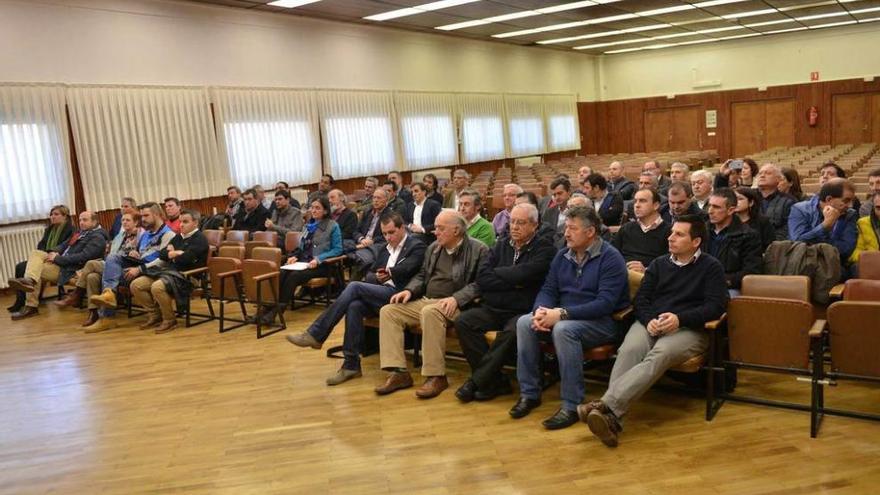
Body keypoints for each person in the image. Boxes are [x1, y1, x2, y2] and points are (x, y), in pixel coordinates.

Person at [582, 214, 728, 447]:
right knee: (629, 349)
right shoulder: (660, 264)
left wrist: (680, 319)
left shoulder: (711, 267)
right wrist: (649, 319)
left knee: (659, 354)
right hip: (652, 323)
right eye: (671, 233)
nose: (670, 238)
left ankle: (604, 405)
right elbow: (641, 300)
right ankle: (611, 417)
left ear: (696, 242)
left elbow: (715, 307)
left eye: (679, 234)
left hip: (689, 329)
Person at [510, 205, 629, 430]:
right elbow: (548, 289)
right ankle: (530, 393)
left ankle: (571, 404)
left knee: (564, 330)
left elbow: (605, 304)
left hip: (603, 322)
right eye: (566, 227)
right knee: (524, 322)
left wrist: (562, 314)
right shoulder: (562, 255)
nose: (566, 233)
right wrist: (540, 312)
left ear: (591, 232)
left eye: (572, 228)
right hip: (566, 316)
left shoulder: (611, 258)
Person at [285, 212, 426, 385]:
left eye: (391, 232)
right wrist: (378, 276)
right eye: (384, 234)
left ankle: (316, 334)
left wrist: (388, 274)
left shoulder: (416, 245)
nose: (388, 237)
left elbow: (409, 268)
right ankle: (351, 365)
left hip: (402, 295)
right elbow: (372, 272)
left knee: (354, 286)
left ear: (402, 228)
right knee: (354, 306)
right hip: (382, 292)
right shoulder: (385, 247)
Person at [375, 211, 489, 399]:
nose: (435, 232)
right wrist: (409, 291)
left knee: (430, 312)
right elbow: (422, 275)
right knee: (389, 311)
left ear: (457, 230)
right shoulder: (434, 248)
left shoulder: (479, 250)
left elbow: (481, 283)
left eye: (440, 228)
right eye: (435, 227)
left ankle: (436, 376)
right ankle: (399, 372)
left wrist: (457, 298)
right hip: (428, 300)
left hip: (458, 304)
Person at [455, 203, 556, 403]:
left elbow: (529, 274)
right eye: (512, 222)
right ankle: (495, 380)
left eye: (521, 222)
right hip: (493, 308)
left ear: (535, 225)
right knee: (464, 322)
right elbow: (483, 277)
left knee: (513, 331)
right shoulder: (501, 244)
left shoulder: (545, 249)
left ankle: (476, 382)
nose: (514, 227)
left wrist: (499, 276)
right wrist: (514, 282)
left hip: (521, 311)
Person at [88, 202, 176, 333]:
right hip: (138, 265)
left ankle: (107, 315)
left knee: (99, 272)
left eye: (146, 215)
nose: (143, 219)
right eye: (142, 216)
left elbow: (163, 260)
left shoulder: (168, 234)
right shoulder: (146, 234)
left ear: (157, 215)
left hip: (152, 271)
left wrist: (139, 269)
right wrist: (134, 253)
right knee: (98, 272)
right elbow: (142, 252)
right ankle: (107, 306)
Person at [8, 211, 108, 321]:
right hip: (62, 265)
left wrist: (57, 259)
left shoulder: (98, 237)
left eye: (85, 220)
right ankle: (30, 282)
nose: (81, 223)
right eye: (80, 220)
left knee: (37, 270)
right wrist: (54, 252)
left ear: (94, 222)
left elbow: (83, 257)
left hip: (71, 270)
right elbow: (64, 245)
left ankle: (31, 305)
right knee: (36, 254)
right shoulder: (81, 232)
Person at [55, 211, 141, 330]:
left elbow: (142, 255)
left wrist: (136, 254)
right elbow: (112, 254)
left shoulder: (141, 235)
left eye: (128, 220)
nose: (124, 222)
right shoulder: (120, 236)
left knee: (90, 264)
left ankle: (77, 294)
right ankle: (95, 314)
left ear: (136, 222)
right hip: (112, 267)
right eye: (123, 220)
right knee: (92, 277)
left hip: (128, 269)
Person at [264, 197, 343, 323]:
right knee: (281, 272)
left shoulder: (333, 226)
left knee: (294, 276)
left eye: (318, 208)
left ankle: (276, 312)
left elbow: (338, 249)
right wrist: (294, 256)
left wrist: (319, 259)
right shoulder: (308, 226)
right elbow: (302, 247)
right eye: (312, 207)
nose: (313, 210)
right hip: (303, 263)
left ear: (326, 211)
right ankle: (267, 308)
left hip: (321, 266)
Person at [130, 208, 209, 334]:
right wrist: (176, 253)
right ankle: (155, 315)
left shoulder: (200, 239)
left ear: (195, 223)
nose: (181, 225)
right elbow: (162, 254)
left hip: (188, 277)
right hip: (169, 273)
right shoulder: (178, 237)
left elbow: (186, 259)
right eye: (180, 221)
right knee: (136, 285)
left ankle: (169, 319)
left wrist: (172, 253)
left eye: (185, 222)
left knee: (157, 287)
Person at [7, 204, 74, 314]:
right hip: (45, 257)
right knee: (20, 266)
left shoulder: (71, 230)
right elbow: (41, 245)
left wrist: (51, 255)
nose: (52, 216)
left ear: (65, 216)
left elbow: (66, 247)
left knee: (26, 267)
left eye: (56, 214)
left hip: (57, 260)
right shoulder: (49, 229)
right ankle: (21, 300)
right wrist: (44, 255)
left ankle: (29, 301)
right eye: (51, 214)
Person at [706, 188, 763, 295]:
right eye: (709, 205)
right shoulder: (701, 231)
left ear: (731, 210)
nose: (710, 211)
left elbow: (751, 271)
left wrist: (721, 280)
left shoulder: (748, 235)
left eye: (716, 207)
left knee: (730, 298)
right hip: (700, 283)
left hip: (729, 286)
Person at [788, 178, 858, 264]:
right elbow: (797, 242)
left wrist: (815, 243)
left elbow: (847, 249)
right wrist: (824, 226)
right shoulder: (800, 210)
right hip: (803, 262)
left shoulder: (850, 214)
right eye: (846, 201)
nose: (850, 206)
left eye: (852, 201)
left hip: (834, 263)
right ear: (829, 199)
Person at [611, 189, 671, 274]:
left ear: (656, 205)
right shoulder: (626, 228)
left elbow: (670, 265)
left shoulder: (670, 231)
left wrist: (646, 270)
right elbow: (612, 254)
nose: (637, 205)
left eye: (642, 201)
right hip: (622, 274)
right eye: (635, 201)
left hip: (652, 278)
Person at [755, 163, 796, 241]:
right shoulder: (749, 197)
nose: (762, 175)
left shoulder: (789, 201)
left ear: (778, 179)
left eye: (768, 173)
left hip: (774, 246)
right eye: (760, 173)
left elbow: (787, 230)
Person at [734, 187, 775, 251]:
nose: (735, 202)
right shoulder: (728, 221)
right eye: (733, 199)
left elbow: (770, 245)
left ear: (751, 203)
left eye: (740, 199)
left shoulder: (762, 222)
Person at [850, 193, 880, 268]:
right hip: (872, 264)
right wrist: (873, 258)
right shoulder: (862, 223)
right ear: (873, 208)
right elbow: (855, 253)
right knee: (855, 267)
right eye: (879, 208)